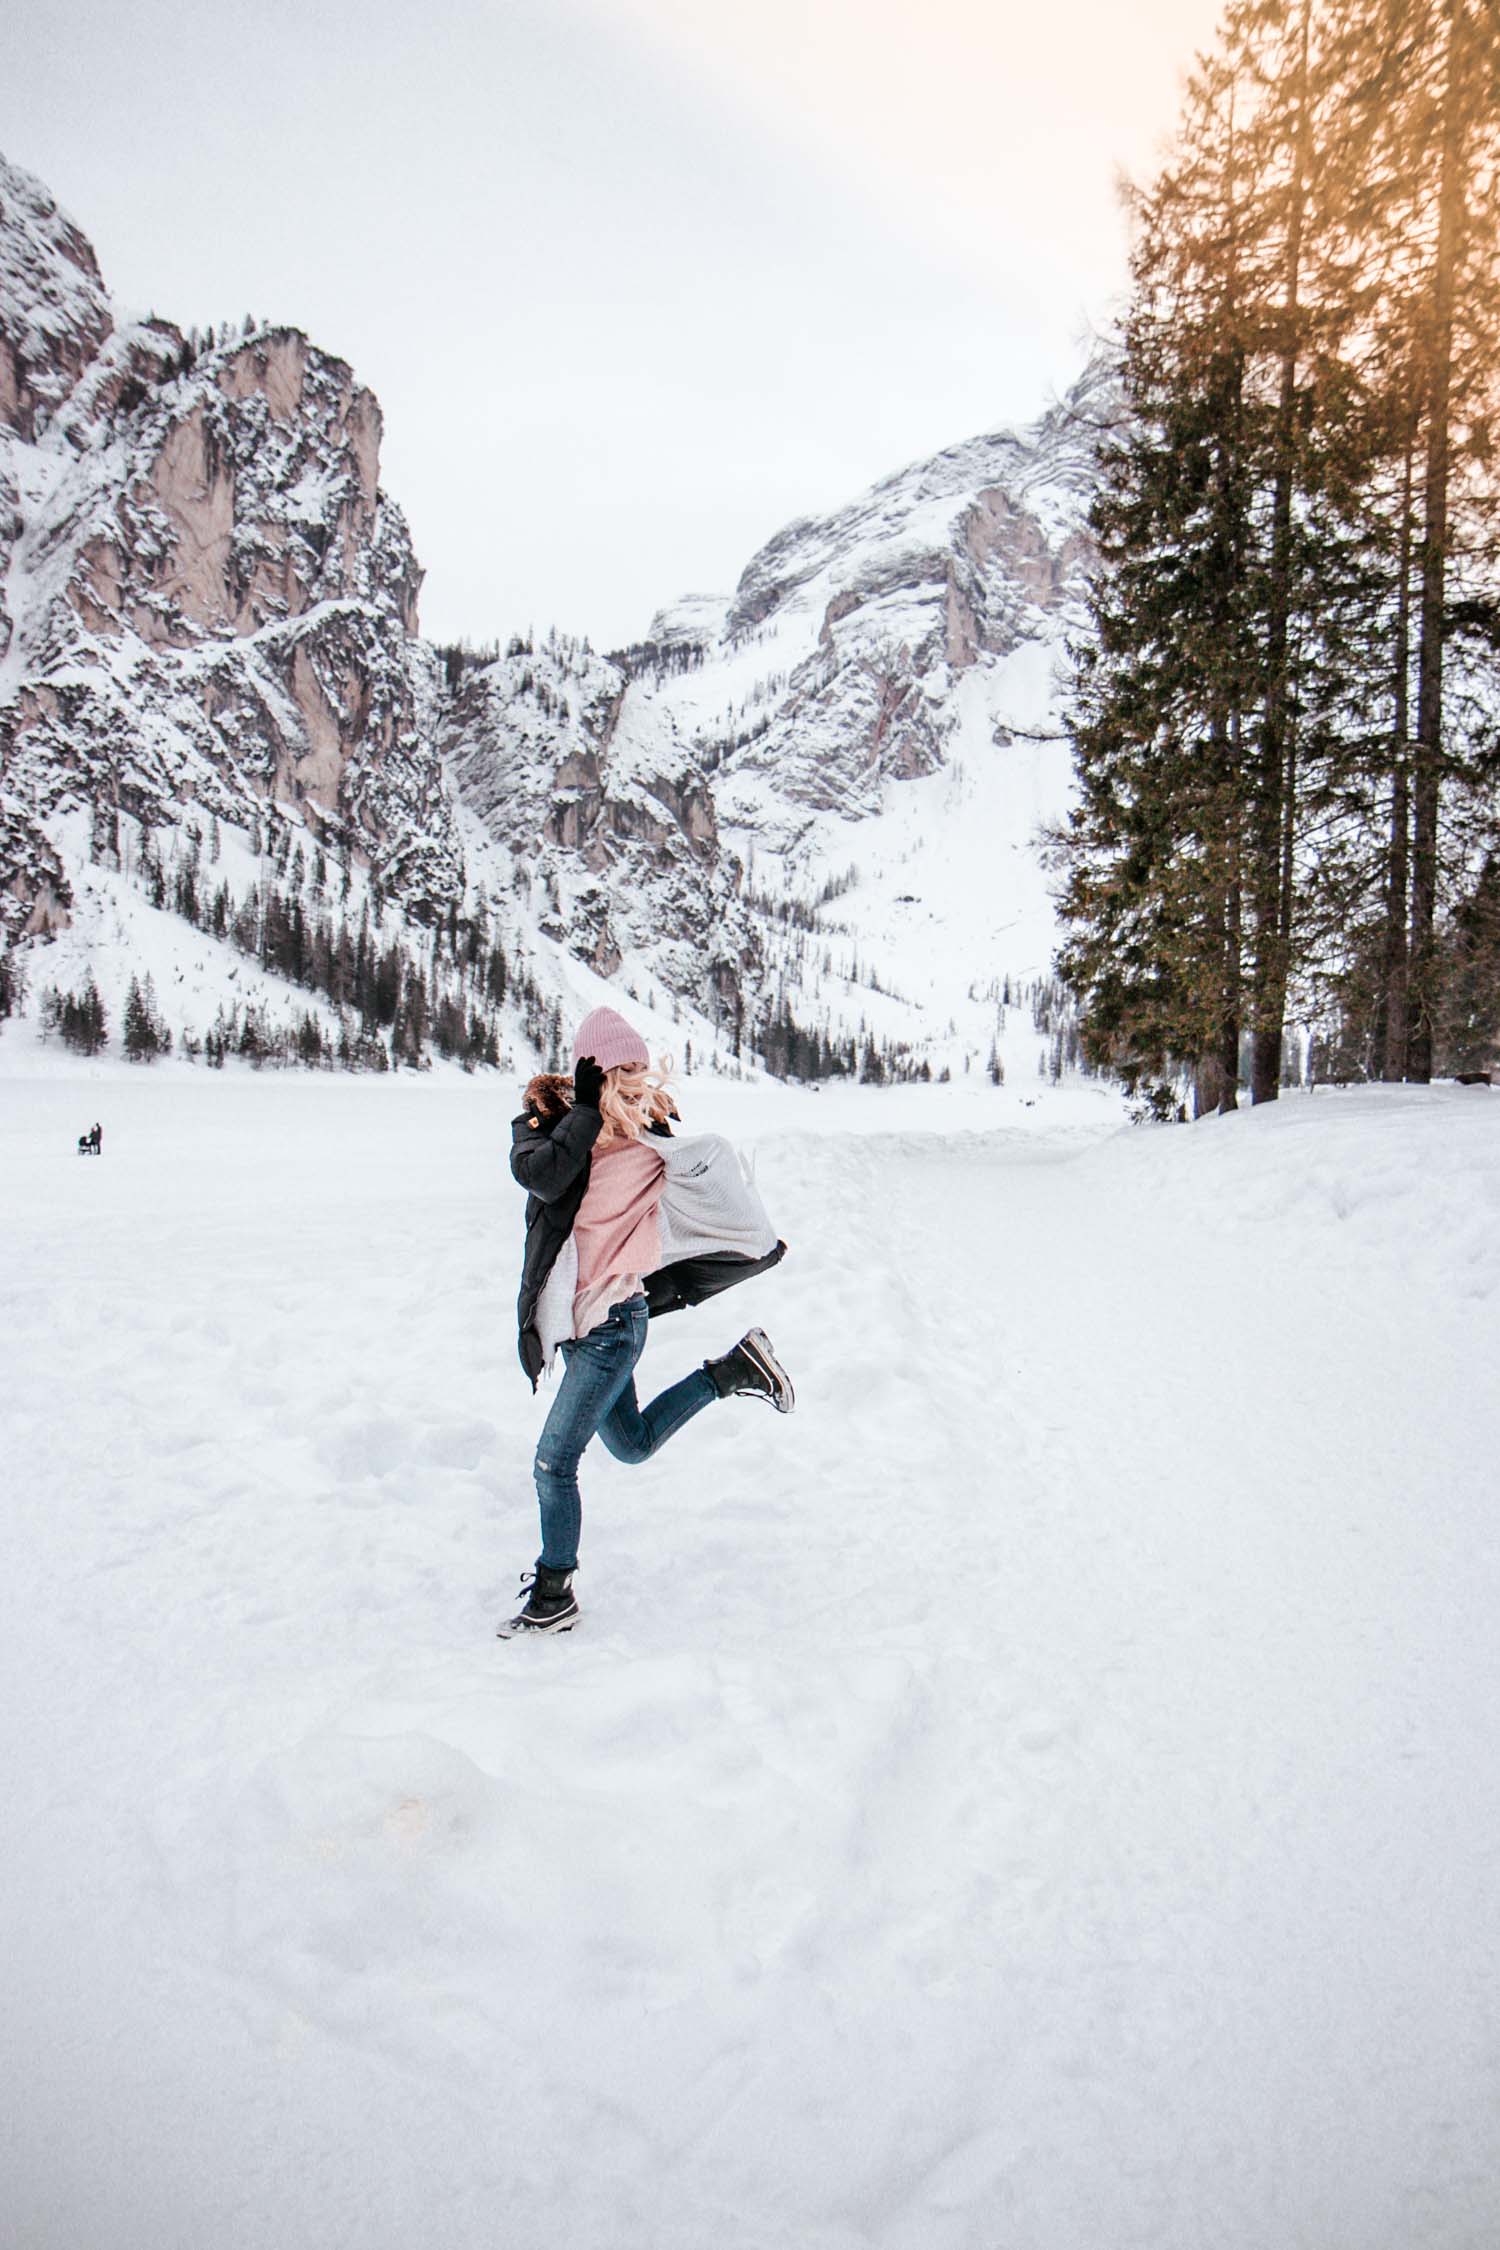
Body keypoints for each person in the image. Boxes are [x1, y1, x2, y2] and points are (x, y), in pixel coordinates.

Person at [501, 1004, 793, 1636]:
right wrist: (581, 1113)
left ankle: (554, 1596)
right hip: (579, 1330)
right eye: (618, 1066)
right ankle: (733, 1371)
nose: (632, 1076)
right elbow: (543, 1179)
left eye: (638, 1065)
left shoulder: (651, 1139)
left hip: (614, 1325)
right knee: (630, 1446)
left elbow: (710, 1176)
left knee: (554, 1462)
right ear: (587, 1070)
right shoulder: (544, 1126)